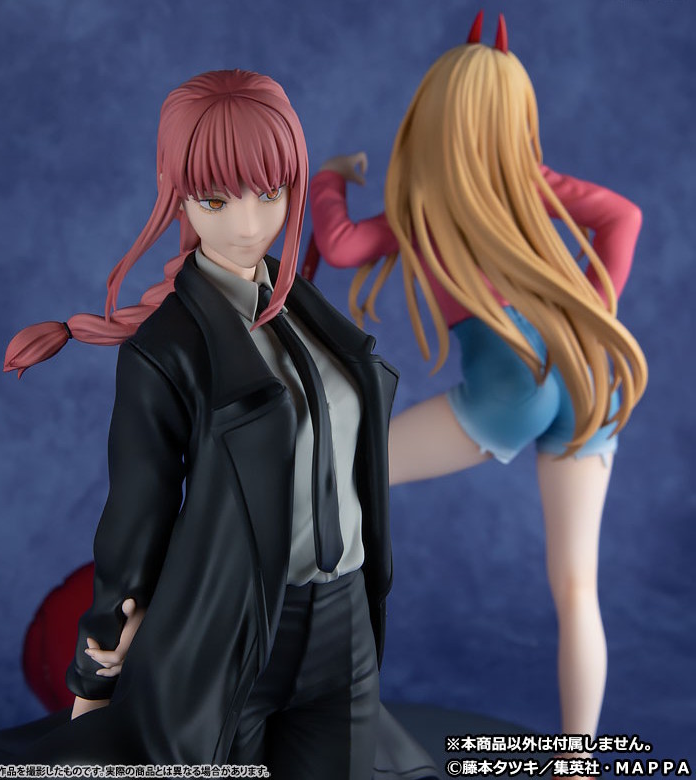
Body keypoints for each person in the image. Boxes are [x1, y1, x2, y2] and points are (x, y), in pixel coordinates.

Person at [0, 68, 435, 778]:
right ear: (177, 193)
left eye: (270, 193)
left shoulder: (303, 312)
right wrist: (97, 666)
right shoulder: (165, 348)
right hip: (235, 628)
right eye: (216, 199)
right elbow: (137, 514)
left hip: (345, 616)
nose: (248, 225)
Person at [304, 13, 648, 748]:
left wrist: (329, 176)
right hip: (589, 378)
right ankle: (578, 759)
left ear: (435, 113)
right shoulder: (531, 183)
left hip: (513, 383)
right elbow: (624, 216)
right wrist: (590, 309)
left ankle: (308, 665)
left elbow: (339, 246)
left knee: (339, 473)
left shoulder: (421, 204)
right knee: (577, 588)